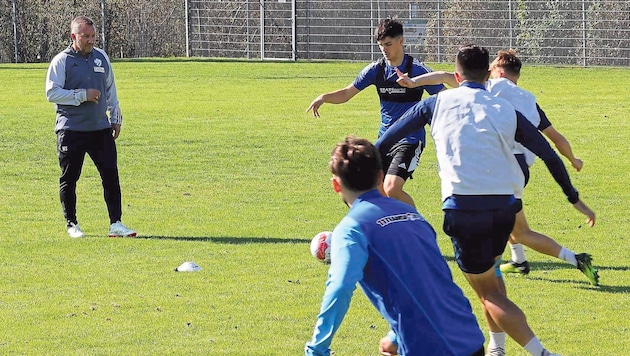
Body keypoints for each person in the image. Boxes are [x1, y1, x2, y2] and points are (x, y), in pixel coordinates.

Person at [374, 44, 596, 356]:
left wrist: (366, 169)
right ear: (486, 74)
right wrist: (574, 199)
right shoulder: (507, 110)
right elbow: (549, 154)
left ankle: (542, 353)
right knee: (491, 282)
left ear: (456, 75)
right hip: (505, 208)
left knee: (489, 293)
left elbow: (387, 139)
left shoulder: (436, 103)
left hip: (464, 210)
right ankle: (497, 347)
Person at [394, 50, 599, 287]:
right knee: (513, 227)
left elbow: (444, 76)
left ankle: (574, 260)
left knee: (515, 232)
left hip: (500, 166)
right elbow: (556, 139)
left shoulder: (490, 87)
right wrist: (574, 160)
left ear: (497, 72)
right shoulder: (529, 99)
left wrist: (413, 82)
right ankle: (519, 261)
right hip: (521, 170)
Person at [305, 136, 485, 356]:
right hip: (470, 337)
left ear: (336, 184)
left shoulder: (352, 228)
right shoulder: (411, 215)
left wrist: (317, 348)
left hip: (431, 347)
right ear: (380, 176)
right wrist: (397, 336)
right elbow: (433, 280)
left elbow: (340, 287)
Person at [306, 17, 445, 207]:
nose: (385, 50)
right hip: (385, 139)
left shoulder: (417, 69)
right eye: (381, 46)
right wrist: (324, 97)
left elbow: (444, 96)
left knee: (392, 188)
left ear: (401, 41)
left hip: (410, 140)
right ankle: (390, 229)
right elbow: (347, 93)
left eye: (388, 44)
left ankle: (416, 227)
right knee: (374, 190)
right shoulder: (376, 70)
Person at [45, 16, 136, 238]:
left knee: (111, 176)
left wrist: (115, 117)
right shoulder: (61, 61)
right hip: (71, 130)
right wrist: (81, 95)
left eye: (93, 36)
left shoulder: (101, 58)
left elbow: (110, 90)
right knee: (70, 178)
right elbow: (51, 93)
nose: (91, 40)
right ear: (73, 36)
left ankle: (116, 223)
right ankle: (72, 224)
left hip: (100, 129)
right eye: (86, 36)